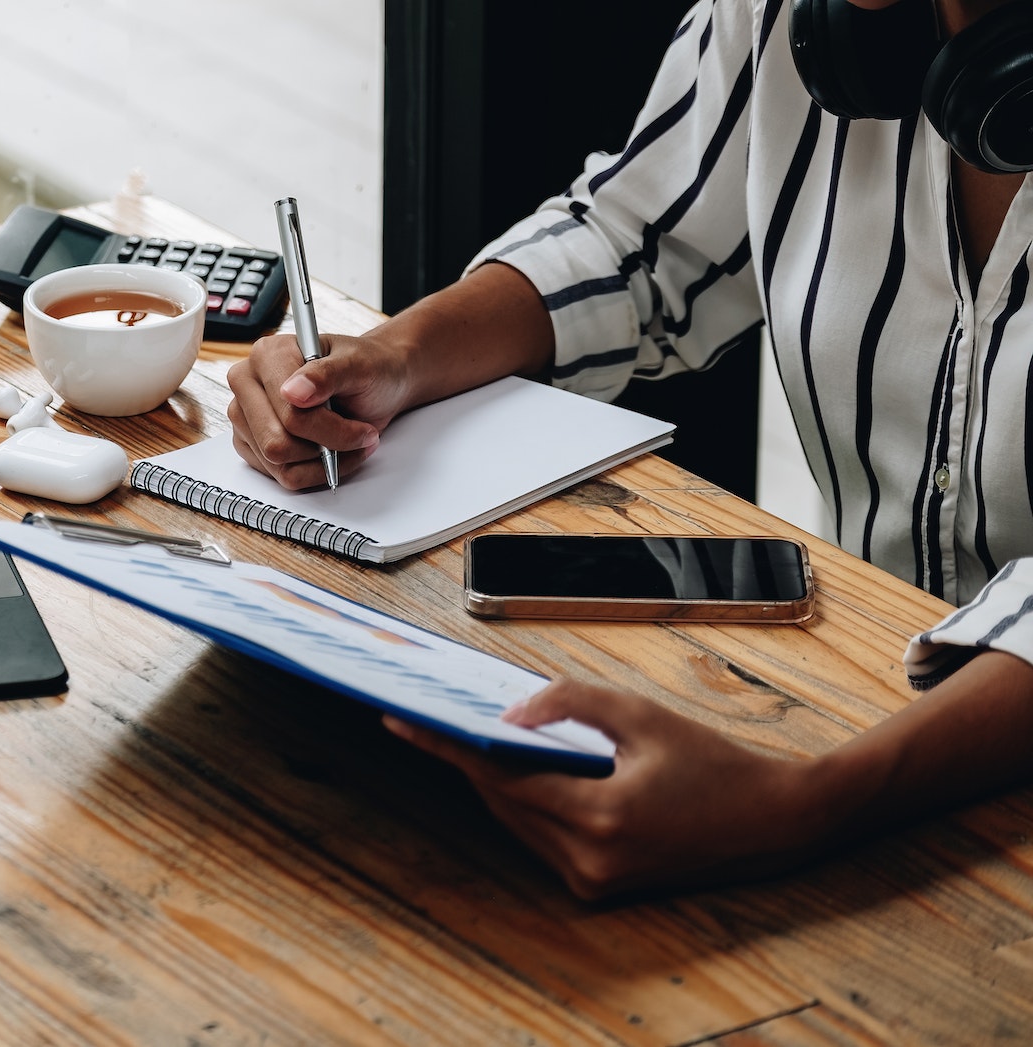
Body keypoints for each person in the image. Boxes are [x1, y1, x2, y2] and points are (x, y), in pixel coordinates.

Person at [227, 0, 1033, 899]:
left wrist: (801, 806)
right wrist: (398, 358)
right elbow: (635, 243)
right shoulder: (790, 18)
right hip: (857, 696)